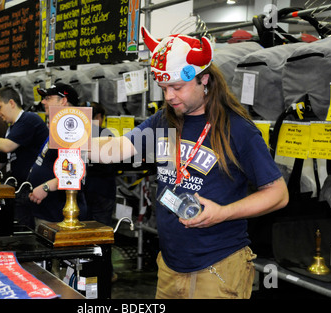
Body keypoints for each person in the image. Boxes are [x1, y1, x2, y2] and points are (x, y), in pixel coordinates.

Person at [89, 27, 289, 299]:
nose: (169, 97)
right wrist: (70, 137)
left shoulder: (238, 129)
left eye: (177, 87)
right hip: (170, 264)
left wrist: (222, 212)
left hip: (218, 267)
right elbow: (114, 149)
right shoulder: (164, 120)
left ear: (204, 79)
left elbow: (278, 194)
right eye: (163, 88)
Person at [26, 82, 87, 228]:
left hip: (61, 214)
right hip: (47, 210)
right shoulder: (59, 127)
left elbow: (76, 171)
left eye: (48, 98)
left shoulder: (72, 130)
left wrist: (46, 187)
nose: (43, 102)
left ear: (63, 101)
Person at [0, 86, 49, 185]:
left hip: (32, 187)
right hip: (17, 185)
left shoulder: (29, 119)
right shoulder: (12, 128)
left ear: (11, 103)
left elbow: (7, 146)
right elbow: (1, 160)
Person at [82, 102, 117, 227]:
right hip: (103, 190)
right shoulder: (106, 133)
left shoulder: (77, 133)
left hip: (82, 190)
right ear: (98, 117)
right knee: (101, 230)